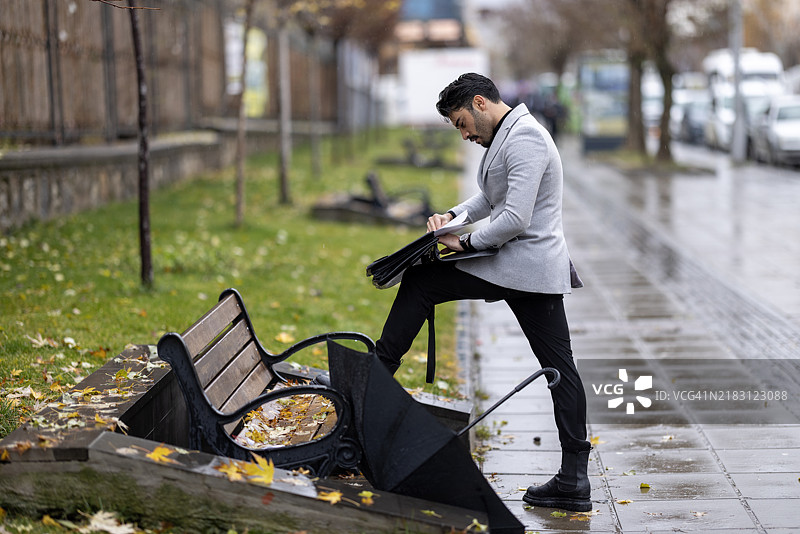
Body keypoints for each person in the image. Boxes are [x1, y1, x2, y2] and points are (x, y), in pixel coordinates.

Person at [374, 73, 591, 513]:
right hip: (521, 265)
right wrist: (451, 216)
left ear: (479, 103)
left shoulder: (525, 138)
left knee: (422, 282)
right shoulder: (509, 134)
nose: (464, 134)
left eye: (461, 123)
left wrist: (466, 242)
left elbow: (514, 218)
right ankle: (574, 479)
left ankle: (372, 386)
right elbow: (490, 198)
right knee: (560, 367)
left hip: (525, 265)